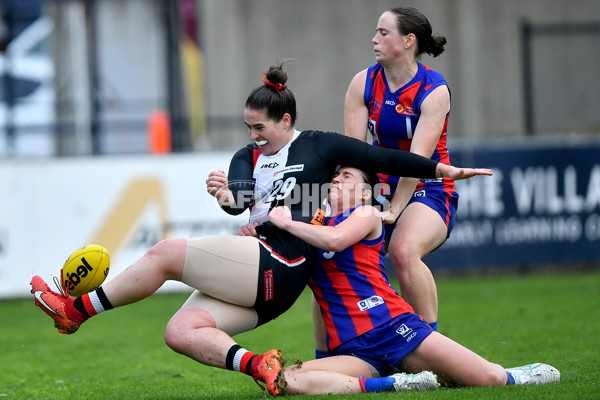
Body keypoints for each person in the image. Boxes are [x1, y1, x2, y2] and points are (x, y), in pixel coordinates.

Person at [30, 63, 492, 396]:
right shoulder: (245, 157)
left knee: (167, 253)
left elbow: (385, 159)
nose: (252, 135)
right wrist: (226, 197)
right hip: (266, 267)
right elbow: (238, 201)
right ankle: (260, 365)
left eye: (260, 126)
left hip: (285, 258)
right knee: (181, 330)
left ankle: (77, 311)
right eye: (248, 126)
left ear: (285, 120)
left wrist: (441, 171)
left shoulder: (317, 145)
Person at [264, 165, 560, 395]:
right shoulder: (314, 230)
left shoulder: (366, 213)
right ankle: (395, 384)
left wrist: (288, 223)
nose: (337, 179)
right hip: (355, 352)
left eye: (347, 176)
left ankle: (520, 374)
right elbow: (319, 297)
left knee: (491, 379)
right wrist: (256, 229)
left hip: (395, 329)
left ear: (366, 192)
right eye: (335, 176)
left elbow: (337, 239)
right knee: (284, 379)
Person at [345, 7, 459, 331]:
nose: (374, 39)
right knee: (336, 258)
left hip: (428, 187)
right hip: (380, 188)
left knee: (403, 251)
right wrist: (349, 202)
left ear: (408, 41)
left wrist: (394, 210)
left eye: (383, 33)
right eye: (376, 32)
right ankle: (342, 354)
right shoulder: (362, 83)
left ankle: (431, 351)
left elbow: (417, 164)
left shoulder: (433, 90)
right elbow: (354, 156)